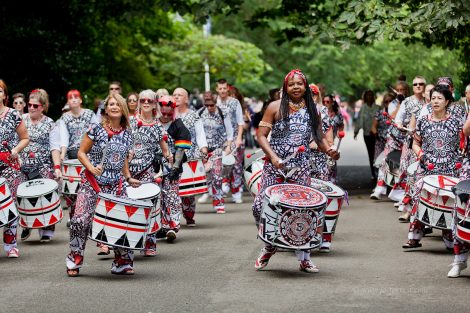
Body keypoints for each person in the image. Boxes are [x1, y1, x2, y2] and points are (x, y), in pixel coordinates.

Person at [253, 69, 339, 273]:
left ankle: (304, 258)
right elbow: (261, 135)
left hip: (300, 168)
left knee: (303, 211)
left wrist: (329, 150)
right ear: (285, 87)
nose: (296, 87)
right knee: (260, 207)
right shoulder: (274, 107)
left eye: (299, 83)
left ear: (305, 86)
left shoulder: (312, 109)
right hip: (275, 167)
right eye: (291, 84)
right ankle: (270, 245)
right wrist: (273, 156)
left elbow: (318, 136)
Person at [65, 93, 140, 277]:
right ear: (106, 109)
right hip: (92, 183)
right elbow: (81, 152)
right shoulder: (96, 129)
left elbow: (122, 159)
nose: (114, 107)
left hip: (116, 185)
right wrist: (91, 167)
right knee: (79, 220)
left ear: (123, 109)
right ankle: (74, 259)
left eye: (117, 104)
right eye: (111, 104)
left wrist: (128, 177)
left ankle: (122, 262)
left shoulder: (127, 133)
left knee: (124, 222)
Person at [402, 85, 461, 250]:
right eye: (433, 98)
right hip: (427, 167)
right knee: (420, 200)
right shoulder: (423, 120)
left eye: (440, 98)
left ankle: (450, 238)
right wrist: (421, 156)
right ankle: (414, 237)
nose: (435, 101)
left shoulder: (456, 122)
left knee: (448, 203)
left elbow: (462, 144)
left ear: (447, 101)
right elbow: (415, 143)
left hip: (450, 169)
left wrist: (458, 161)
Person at [129, 89, 170, 255]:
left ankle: (150, 242)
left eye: (149, 101)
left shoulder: (157, 125)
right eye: (143, 100)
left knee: (150, 203)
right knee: (130, 205)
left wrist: (170, 158)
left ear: (154, 104)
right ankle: (130, 240)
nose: (146, 103)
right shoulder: (130, 122)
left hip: (148, 169)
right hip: (129, 170)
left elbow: (165, 149)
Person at [19, 89, 62, 242]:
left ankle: (47, 228)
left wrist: (57, 168)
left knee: (44, 197)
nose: (31, 108)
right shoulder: (20, 119)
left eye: (35, 106)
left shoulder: (50, 123)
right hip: (23, 165)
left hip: (43, 165)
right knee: (23, 195)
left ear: (42, 107)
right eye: (29, 105)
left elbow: (54, 147)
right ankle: (26, 224)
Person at [58, 90, 97, 230]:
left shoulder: (90, 114)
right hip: (71, 155)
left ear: (80, 100)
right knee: (69, 189)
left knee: (88, 186)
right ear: (68, 102)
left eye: (76, 97)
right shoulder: (64, 118)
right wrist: (62, 154)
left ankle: (89, 215)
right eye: (70, 98)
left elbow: (96, 132)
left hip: (88, 154)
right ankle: (72, 216)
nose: (73, 100)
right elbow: (63, 137)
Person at [0, 79, 29, 258]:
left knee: (10, 203)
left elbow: (25, 137)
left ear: (4, 95)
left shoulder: (12, 115)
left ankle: (10, 243)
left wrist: (16, 150)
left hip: (9, 164)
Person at [157, 95, 191, 242]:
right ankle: (161, 226)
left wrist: (175, 168)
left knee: (171, 196)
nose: (165, 117)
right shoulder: (153, 123)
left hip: (172, 167)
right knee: (158, 197)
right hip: (155, 166)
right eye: (163, 113)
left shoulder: (178, 125)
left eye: (168, 114)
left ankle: (173, 225)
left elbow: (181, 149)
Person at [173, 87, 208, 226]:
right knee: (172, 190)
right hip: (172, 157)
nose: (176, 97)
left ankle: (188, 215)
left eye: (179, 95)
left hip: (189, 156)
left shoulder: (194, 115)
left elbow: (200, 134)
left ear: (186, 99)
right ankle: (173, 220)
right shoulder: (168, 115)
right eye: (174, 95)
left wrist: (203, 149)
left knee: (188, 192)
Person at [197, 92, 233, 213]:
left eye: (211, 105)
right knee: (206, 176)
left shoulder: (223, 113)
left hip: (218, 149)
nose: (209, 108)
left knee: (217, 176)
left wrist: (228, 146)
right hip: (203, 150)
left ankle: (219, 203)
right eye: (207, 105)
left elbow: (229, 132)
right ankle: (208, 193)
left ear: (216, 102)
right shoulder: (199, 113)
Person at [449, 83, 470, 277]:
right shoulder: (464, 112)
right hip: (468, 165)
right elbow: (465, 132)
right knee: (461, 208)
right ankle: (459, 260)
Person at [215, 79, 245, 203]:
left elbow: (240, 122)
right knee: (219, 166)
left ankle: (236, 192)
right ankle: (221, 189)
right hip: (219, 139)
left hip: (234, 138)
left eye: (224, 88)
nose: (222, 90)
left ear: (228, 89)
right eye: (220, 88)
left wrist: (238, 139)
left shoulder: (234, 102)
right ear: (217, 89)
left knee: (236, 166)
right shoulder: (214, 103)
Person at [354, 90, 379, 180]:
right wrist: (356, 132)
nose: (369, 97)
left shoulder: (377, 107)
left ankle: (379, 172)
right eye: (367, 95)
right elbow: (359, 121)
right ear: (365, 97)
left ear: (373, 97)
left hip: (377, 134)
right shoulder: (363, 108)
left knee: (378, 153)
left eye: (371, 95)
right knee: (371, 154)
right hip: (367, 134)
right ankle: (373, 172)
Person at [323, 94, 344, 183]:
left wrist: (340, 132)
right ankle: (324, 178)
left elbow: (341, 125)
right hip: (322, 140)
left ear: (332, 103)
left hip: (333, 140)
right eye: (324, 102)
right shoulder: (321, 113)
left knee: (332, 160)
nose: (325, 103)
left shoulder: (338, 115)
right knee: (323, 160)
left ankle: (332, 179)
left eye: (328, 102)